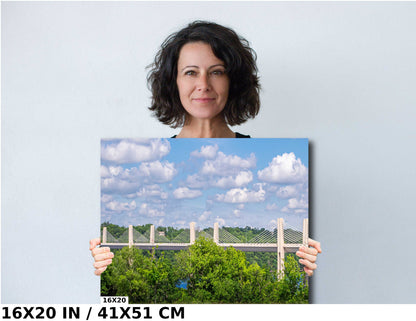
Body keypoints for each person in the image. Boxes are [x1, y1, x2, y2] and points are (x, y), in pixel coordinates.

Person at [90, 20, 321, 277]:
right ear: (173, 82)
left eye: (217, 72)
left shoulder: (280, 159)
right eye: (190, 72)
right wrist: (105, 268)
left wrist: (309, 267)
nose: (204, 84)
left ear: (233, 81)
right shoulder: (154, 161)